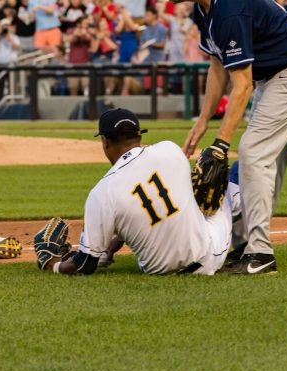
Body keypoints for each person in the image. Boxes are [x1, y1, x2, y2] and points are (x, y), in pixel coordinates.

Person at [176, 0, 287, 274]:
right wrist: (202, 122)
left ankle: (260, 254)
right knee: (266, 157)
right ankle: (248, 243)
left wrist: (221, 144)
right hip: (275, 74)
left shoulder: (230, 11)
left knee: (253, 153)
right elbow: (217, 66)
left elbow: (242, 84)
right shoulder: (203, 11)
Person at [37, 108, 241, 276]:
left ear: (105, 142)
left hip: (159, 271)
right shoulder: (170, 150)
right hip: (210, 255)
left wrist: (53, 264)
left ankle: (104, 252)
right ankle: (251, 249)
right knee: (236, 173)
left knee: (121, 214)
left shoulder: (101, 193)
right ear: (138, 135)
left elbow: (84, 265)